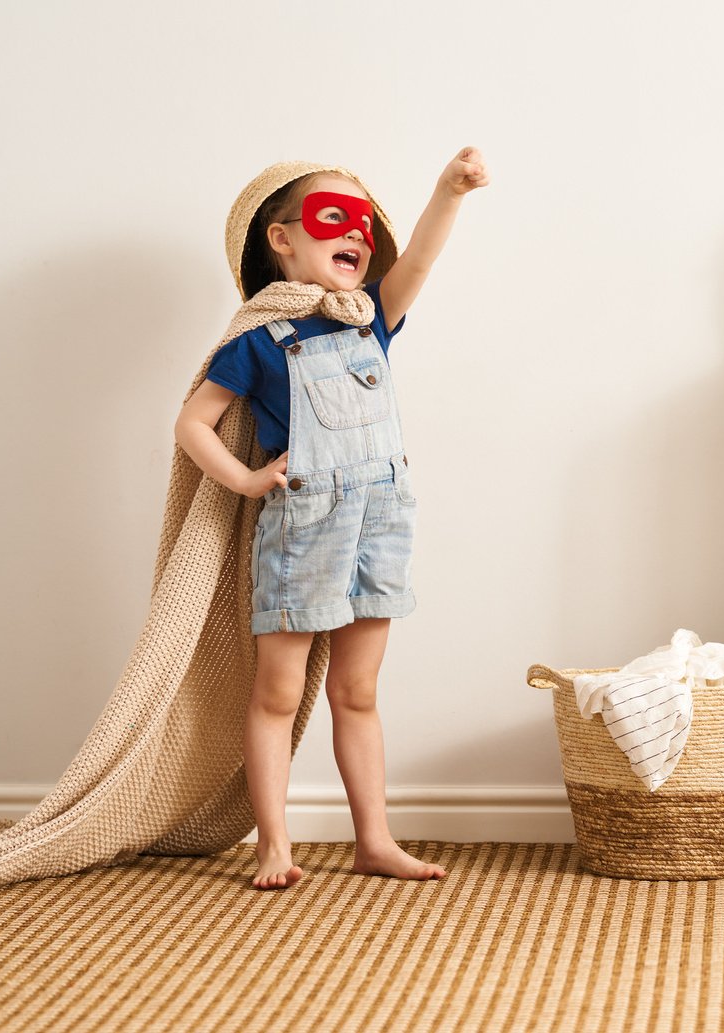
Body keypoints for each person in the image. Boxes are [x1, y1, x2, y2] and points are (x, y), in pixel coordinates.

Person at [175, 151, 489, 889]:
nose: (354, 232)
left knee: (359, 690)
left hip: (380, 521)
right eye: (331, 218)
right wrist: (249, 479)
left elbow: (418, 259)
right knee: (277, 692)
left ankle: (373, 839)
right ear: (282, 239)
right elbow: (193, 423)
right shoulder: (259, 337)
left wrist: (448, 190)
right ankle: (274, 844)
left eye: (361, 223)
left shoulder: (371, 316)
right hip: (305, 527)